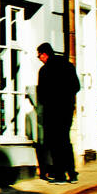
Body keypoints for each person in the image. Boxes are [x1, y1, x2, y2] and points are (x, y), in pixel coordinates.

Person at [36, 42, 80, 183]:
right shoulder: (68, 66)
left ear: (45, 54)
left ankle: (60, 175)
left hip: (52, 110)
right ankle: (72, 174)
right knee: (65, 141)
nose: (39, 58)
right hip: (66, 109)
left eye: (39, 56)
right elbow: (76, 86)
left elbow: (41, 94)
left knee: (55, 143)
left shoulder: (44, 71)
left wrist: (49, 101)